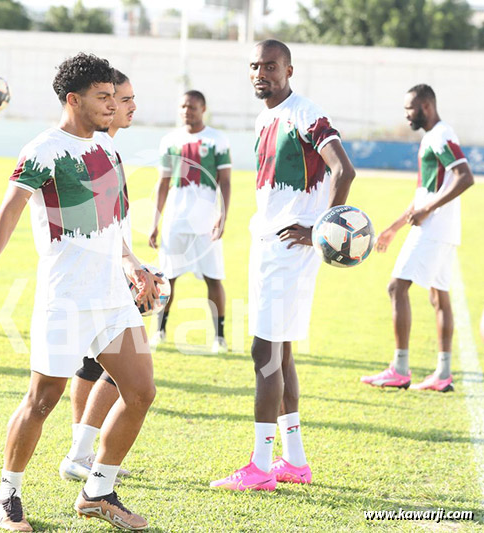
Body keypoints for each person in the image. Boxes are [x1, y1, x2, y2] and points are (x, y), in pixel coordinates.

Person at [0, 54, 157, 532]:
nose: (112, 105)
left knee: (141, 390)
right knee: (41, 400)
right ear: (73, 99)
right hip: (66, 297)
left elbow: (114, 223)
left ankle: (97, 491)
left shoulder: (110, 151)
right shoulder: (43, 148)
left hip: (111, 297)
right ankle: (7, 496)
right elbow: (8, 211)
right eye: (102, 97)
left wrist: (132, 262)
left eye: (115, 96)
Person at [211, 40, 355, 491]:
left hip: (291, 249)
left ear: (288, 69)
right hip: (268, 243)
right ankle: (293, 461)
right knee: (282, 351)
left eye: (270, 66)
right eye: (254, 66)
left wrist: (320, 230)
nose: (261, 73)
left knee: (264, 352)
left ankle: (258, 466)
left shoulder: (305, 112)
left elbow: (343, 170)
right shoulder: (264, 116)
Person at [361, 84, 474, 393]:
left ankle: (399, 369)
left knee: (396, 287)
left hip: (435, 228)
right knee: (439, 297)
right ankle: (443, 374)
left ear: (425, 106)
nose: (406, 114)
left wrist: (427, 211)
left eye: (409, 108)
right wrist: (395, 227)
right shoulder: (431, 138)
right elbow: (423, 194)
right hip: (440, 228)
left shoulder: (440, 136)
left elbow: (466, 176)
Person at [60, 69, 137, 484]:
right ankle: (79, 453)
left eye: (124, 98)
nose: (126, 106)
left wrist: (133, 261)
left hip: (112, 268)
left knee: (93, 365)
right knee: (123, 370)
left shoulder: (106, 146)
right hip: (97, 276)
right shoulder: (96, 146)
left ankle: (81, 452)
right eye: (119, 99)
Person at [148, 90, 231, 354]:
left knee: (213, 278)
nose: (187, 111)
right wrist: (155, 221)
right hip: (175, 219)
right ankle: (159, 331)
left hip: (205, 222)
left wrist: (223, 214)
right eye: (183, 106)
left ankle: (219, 337)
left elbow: (226, 181)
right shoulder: (170, 141)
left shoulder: (217, 140)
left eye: (193, 107)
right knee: (167, 278)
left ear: (203, 108)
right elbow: (162, 183)